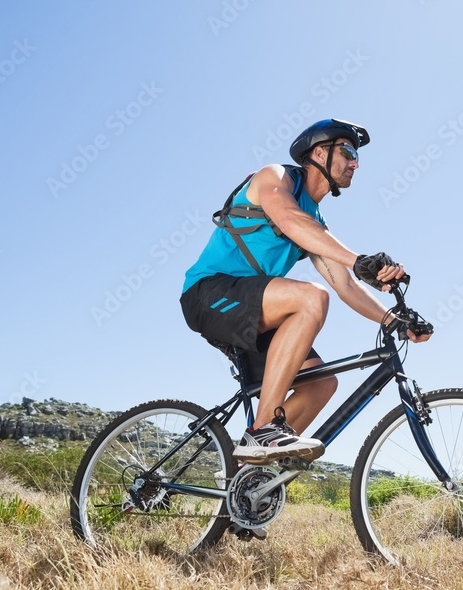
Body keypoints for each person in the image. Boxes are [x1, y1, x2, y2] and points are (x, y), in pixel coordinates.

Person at [180, 119, 431, 464]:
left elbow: (344, 284)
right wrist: (359, 260)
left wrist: (394, 321)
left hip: (254, 308)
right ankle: (263, 430)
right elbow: (288, 221)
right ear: (318, 152)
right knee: (311, 298)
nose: (355, 162)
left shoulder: (315, 223)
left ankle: (248, 478)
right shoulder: (275, 178)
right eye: (348, 151)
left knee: (321, 384)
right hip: (209, 294)